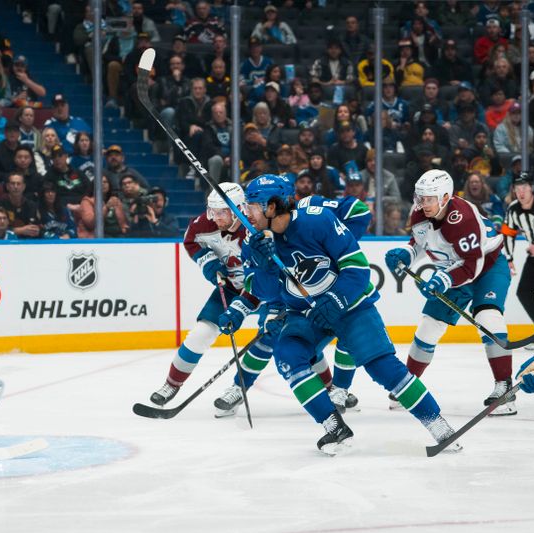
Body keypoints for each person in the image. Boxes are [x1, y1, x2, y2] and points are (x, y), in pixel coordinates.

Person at [236, 174, 459, 454]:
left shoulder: (317, 220)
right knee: (288, 355)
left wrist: (334, 300)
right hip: (305, 313)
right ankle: (334, 427)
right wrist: (265, 262)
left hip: (350, 304)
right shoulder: (252, 242)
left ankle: (438, 424)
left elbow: (357, 268)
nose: (246, 212)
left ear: (271, 207)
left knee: (383, 368)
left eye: (252, 205)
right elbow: (265, 292)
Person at [215, 186, 372, 417]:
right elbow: (257, 287)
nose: (248, 213)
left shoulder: (312, 212)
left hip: (328, 286)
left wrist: (337, 241)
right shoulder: (254, 236)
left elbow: (359, 211)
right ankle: (239, 388)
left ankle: (338, 389)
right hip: (286, 296)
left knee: (347, 330)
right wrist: (238, 311)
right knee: (274, 337)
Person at [385, 169, 515, 416]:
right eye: (420, 197)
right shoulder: (420, 212)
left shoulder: (463, 218)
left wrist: (443, 278)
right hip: (454, 272)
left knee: (487, 316)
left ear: (445, 197)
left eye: (429, 198)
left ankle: (505, 387)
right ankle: (408, 387)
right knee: (428, 325)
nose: (423, 203)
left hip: (488, 267)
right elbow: (420, 241)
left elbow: (472, 265)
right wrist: (407, 254)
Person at [148, 183, 248, 406]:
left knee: (288, 338)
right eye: (212, 210)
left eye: (221, 211)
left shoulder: (256, 226)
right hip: (231, 287)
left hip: (265, 290)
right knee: (201, 333)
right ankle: (172, 384)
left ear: (239, 208)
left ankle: (330, 387)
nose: (215, 217)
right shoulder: (204, 223)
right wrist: (209, 263)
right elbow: (191, 241)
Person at [501, 173, 534, 350]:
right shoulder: (514, 209)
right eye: (517, 188)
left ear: (532, 188)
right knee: (524, 292)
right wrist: (509, 258)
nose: (521, 192)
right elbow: (508, 234)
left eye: (524, 187)